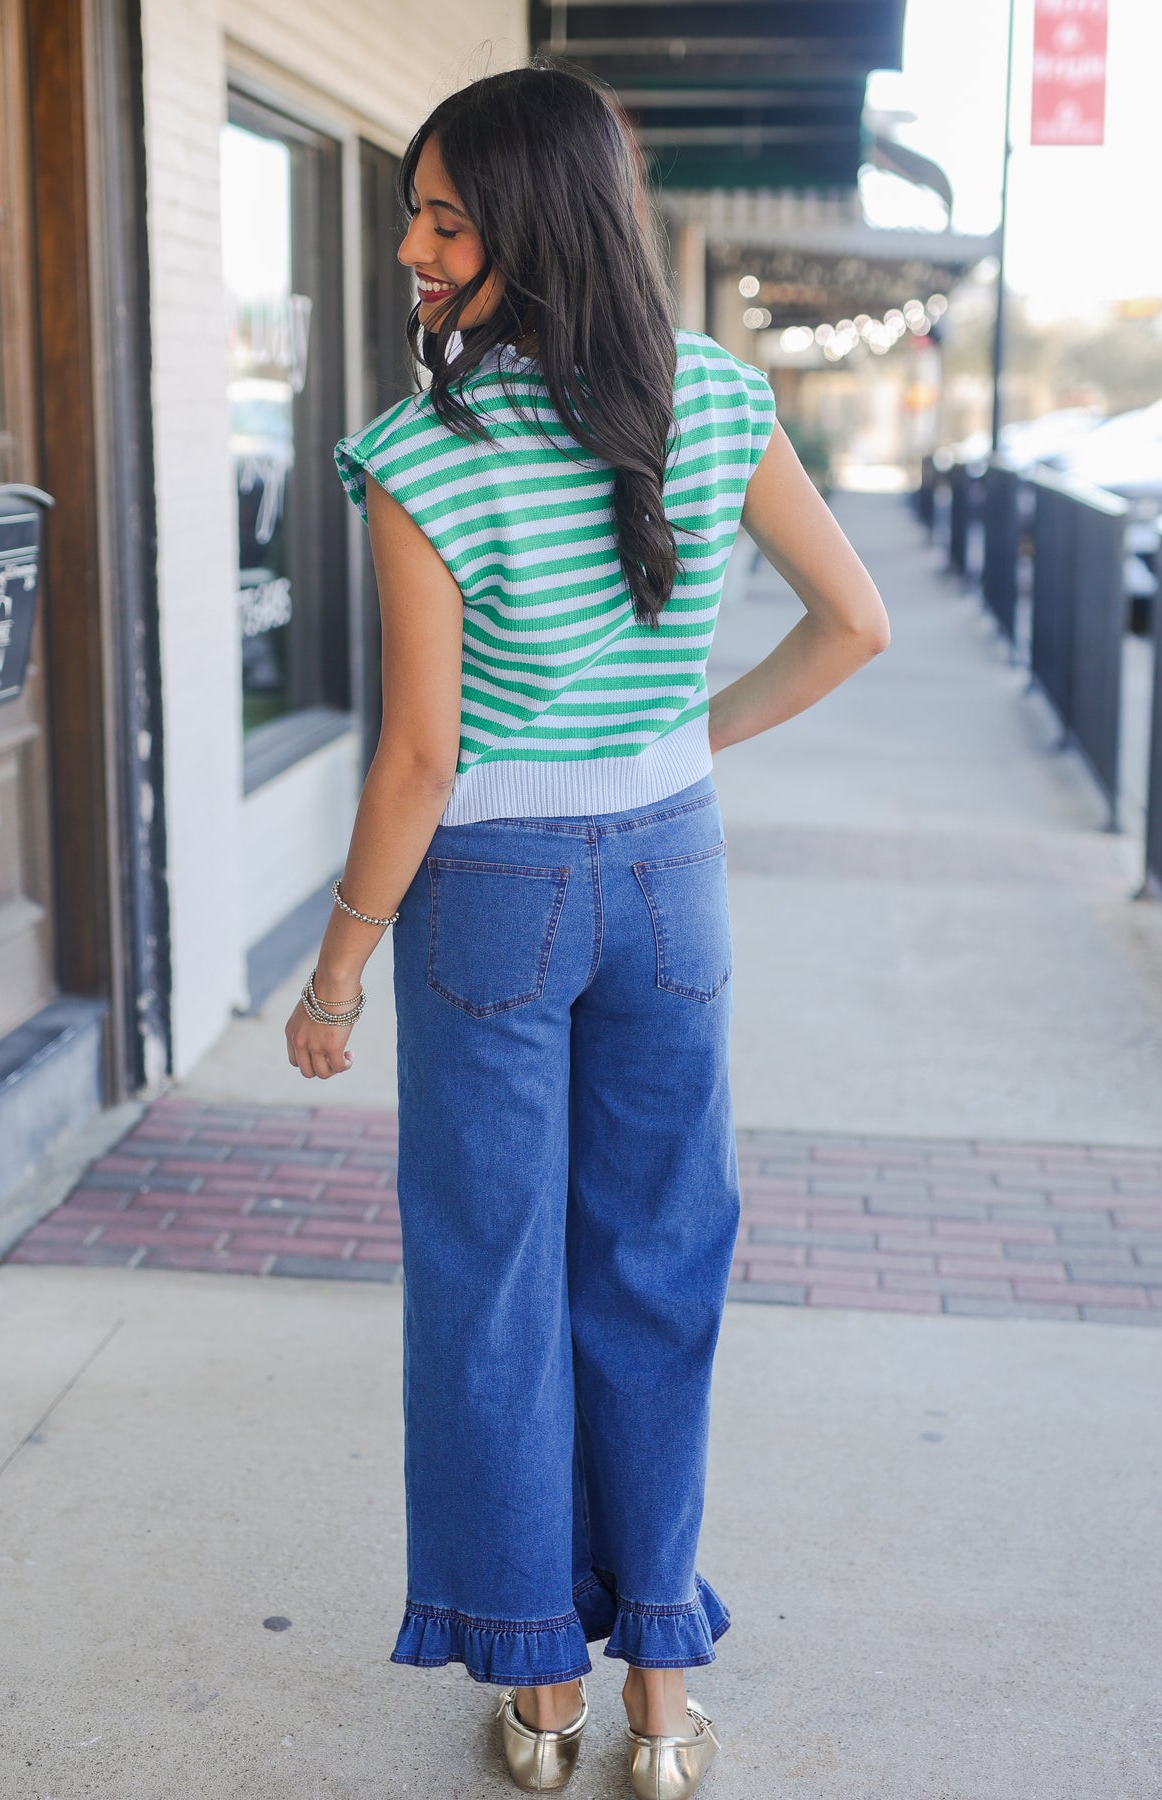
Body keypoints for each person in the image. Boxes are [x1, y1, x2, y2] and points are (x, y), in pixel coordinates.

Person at [285, 60, 889, 1800]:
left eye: (443, 217)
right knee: (657, 1268)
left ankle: (537, 1703)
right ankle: (663, 1704)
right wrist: (681, 743)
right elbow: (848, 622)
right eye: (415, 208)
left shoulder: (424, 454)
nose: (410, 244)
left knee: (493, 1289)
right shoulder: (713, 399)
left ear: (527, 229)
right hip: (671, 876)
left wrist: (336, 973)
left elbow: (417, 754)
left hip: (491, 892)